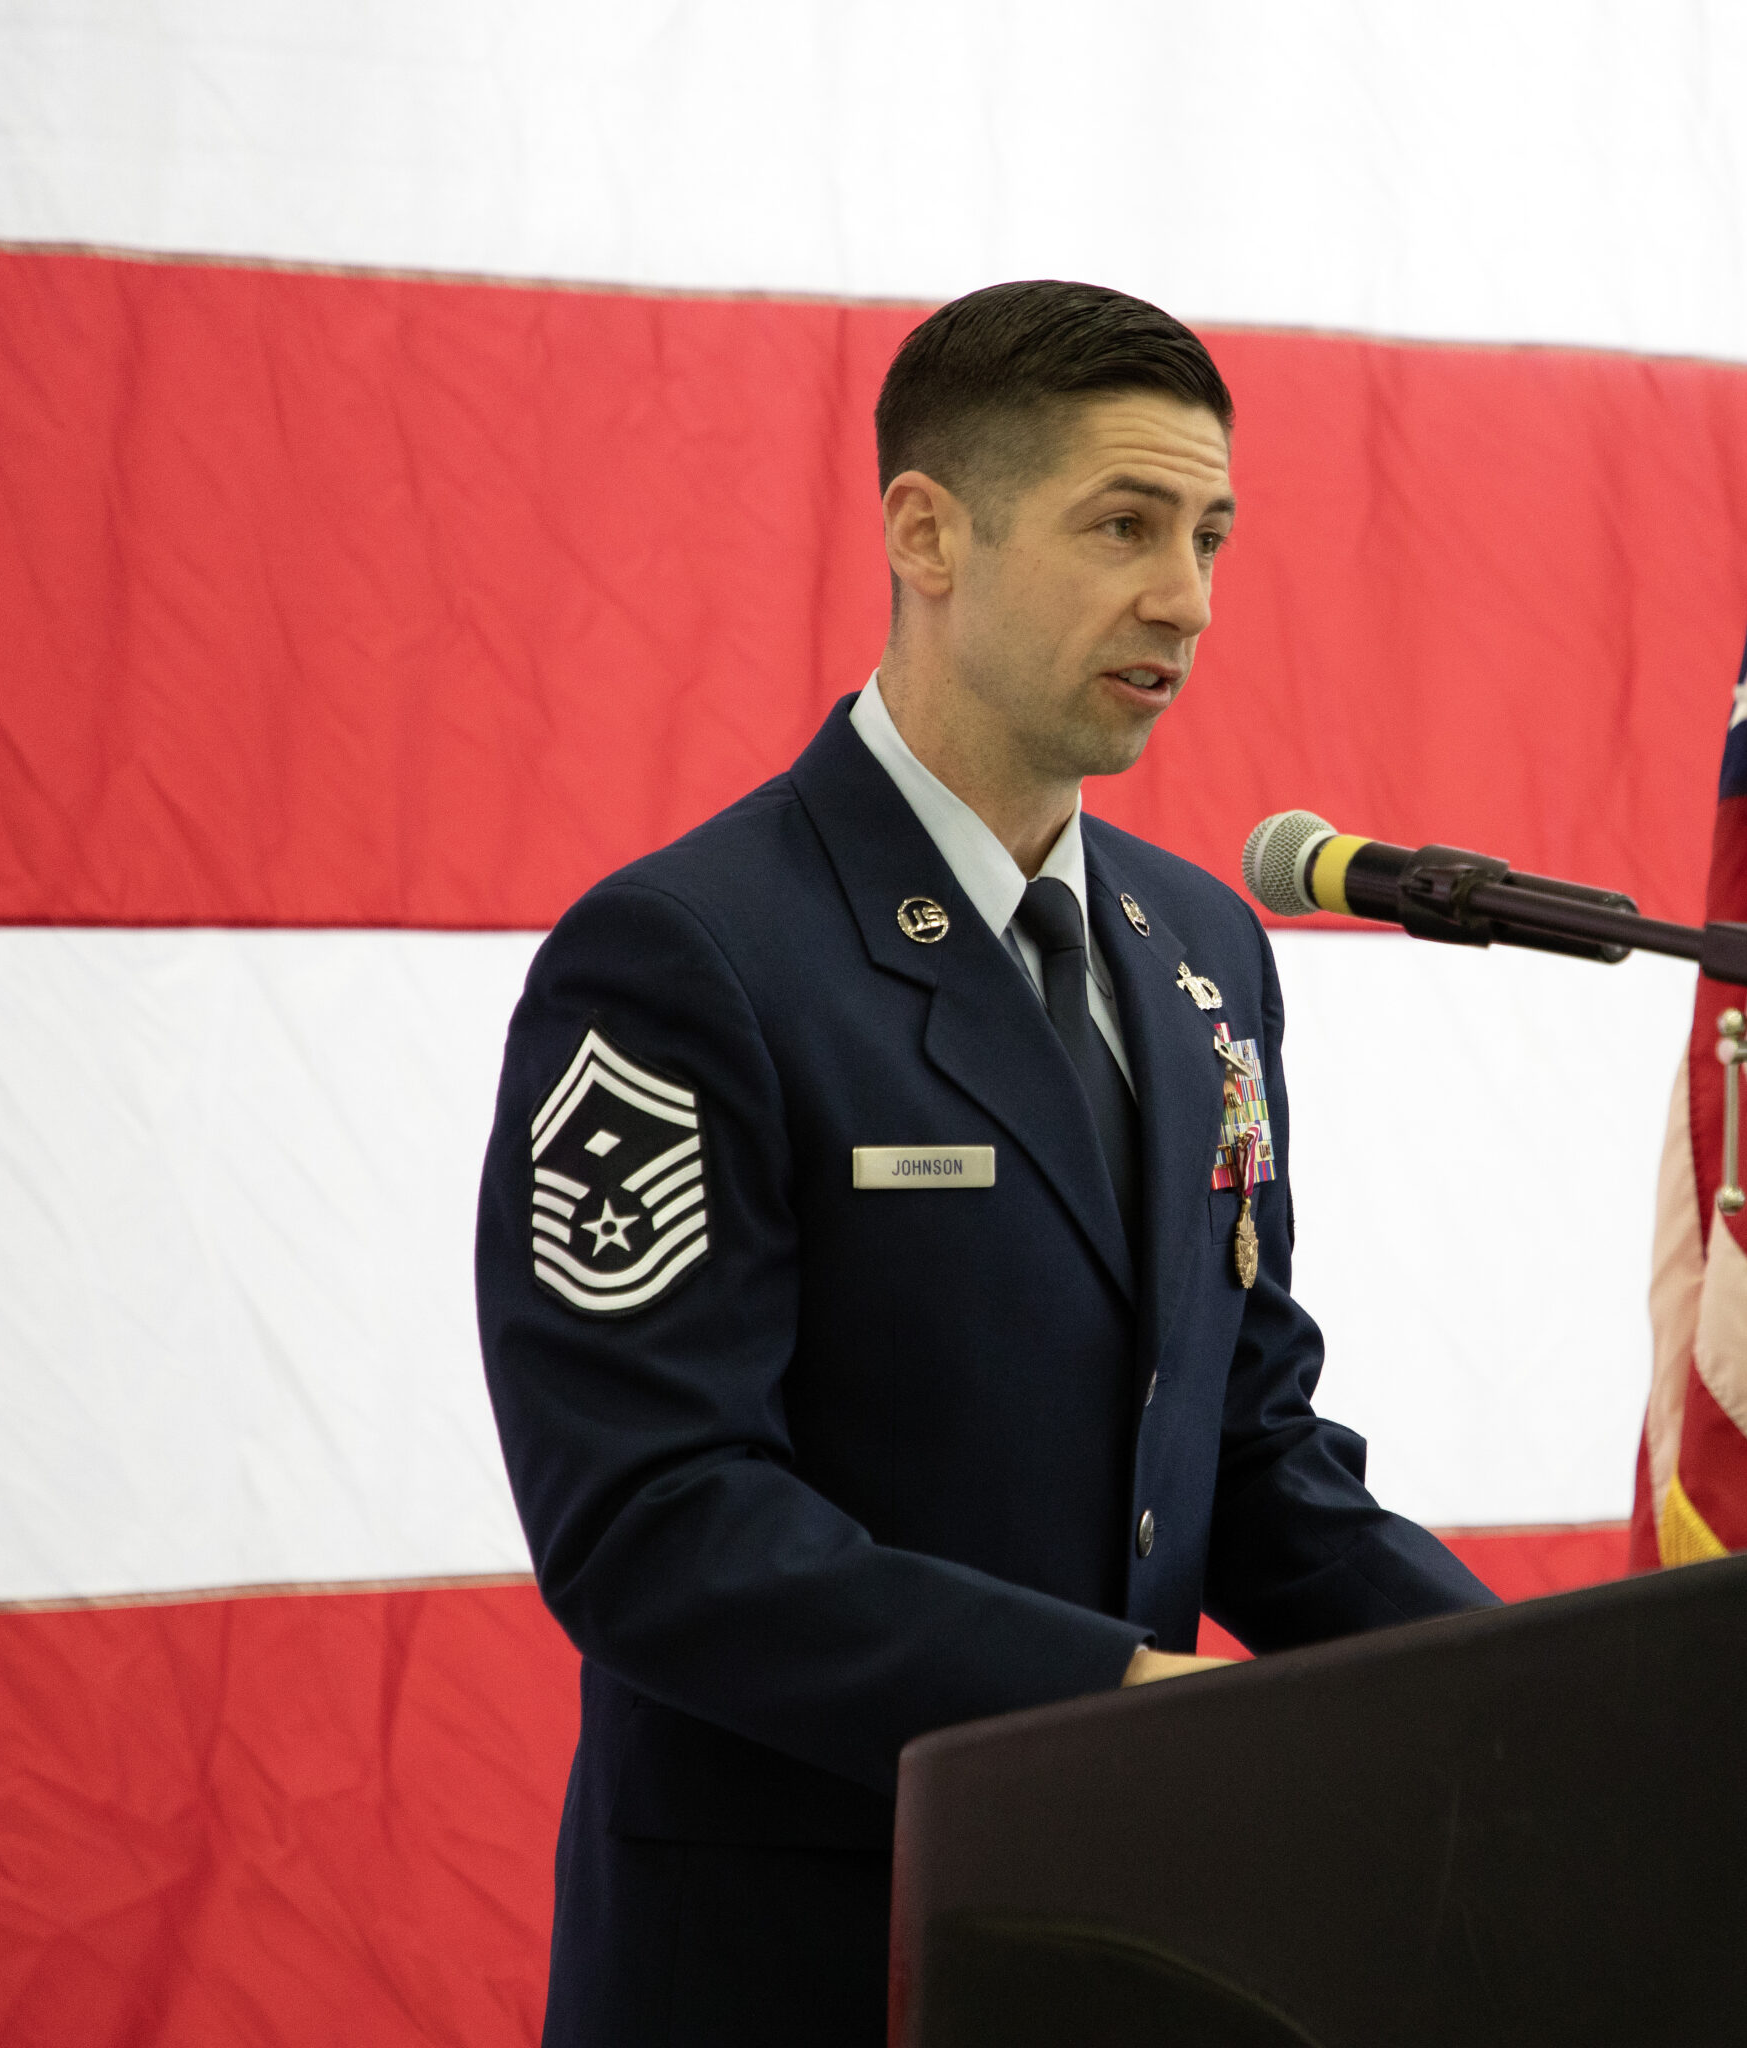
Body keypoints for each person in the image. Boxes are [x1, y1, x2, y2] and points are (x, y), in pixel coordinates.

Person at [474, 278, 1497, 2047]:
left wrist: (1527, 1689)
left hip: (1117, 1946)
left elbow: (1245, 1445)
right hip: (790, 1962)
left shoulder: (1201, 948)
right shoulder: (686, 957)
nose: (1186, 597)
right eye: (1124, 525)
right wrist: (1113, 1699)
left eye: (1210, 536)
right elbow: (654, 1522)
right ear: (927, 534)